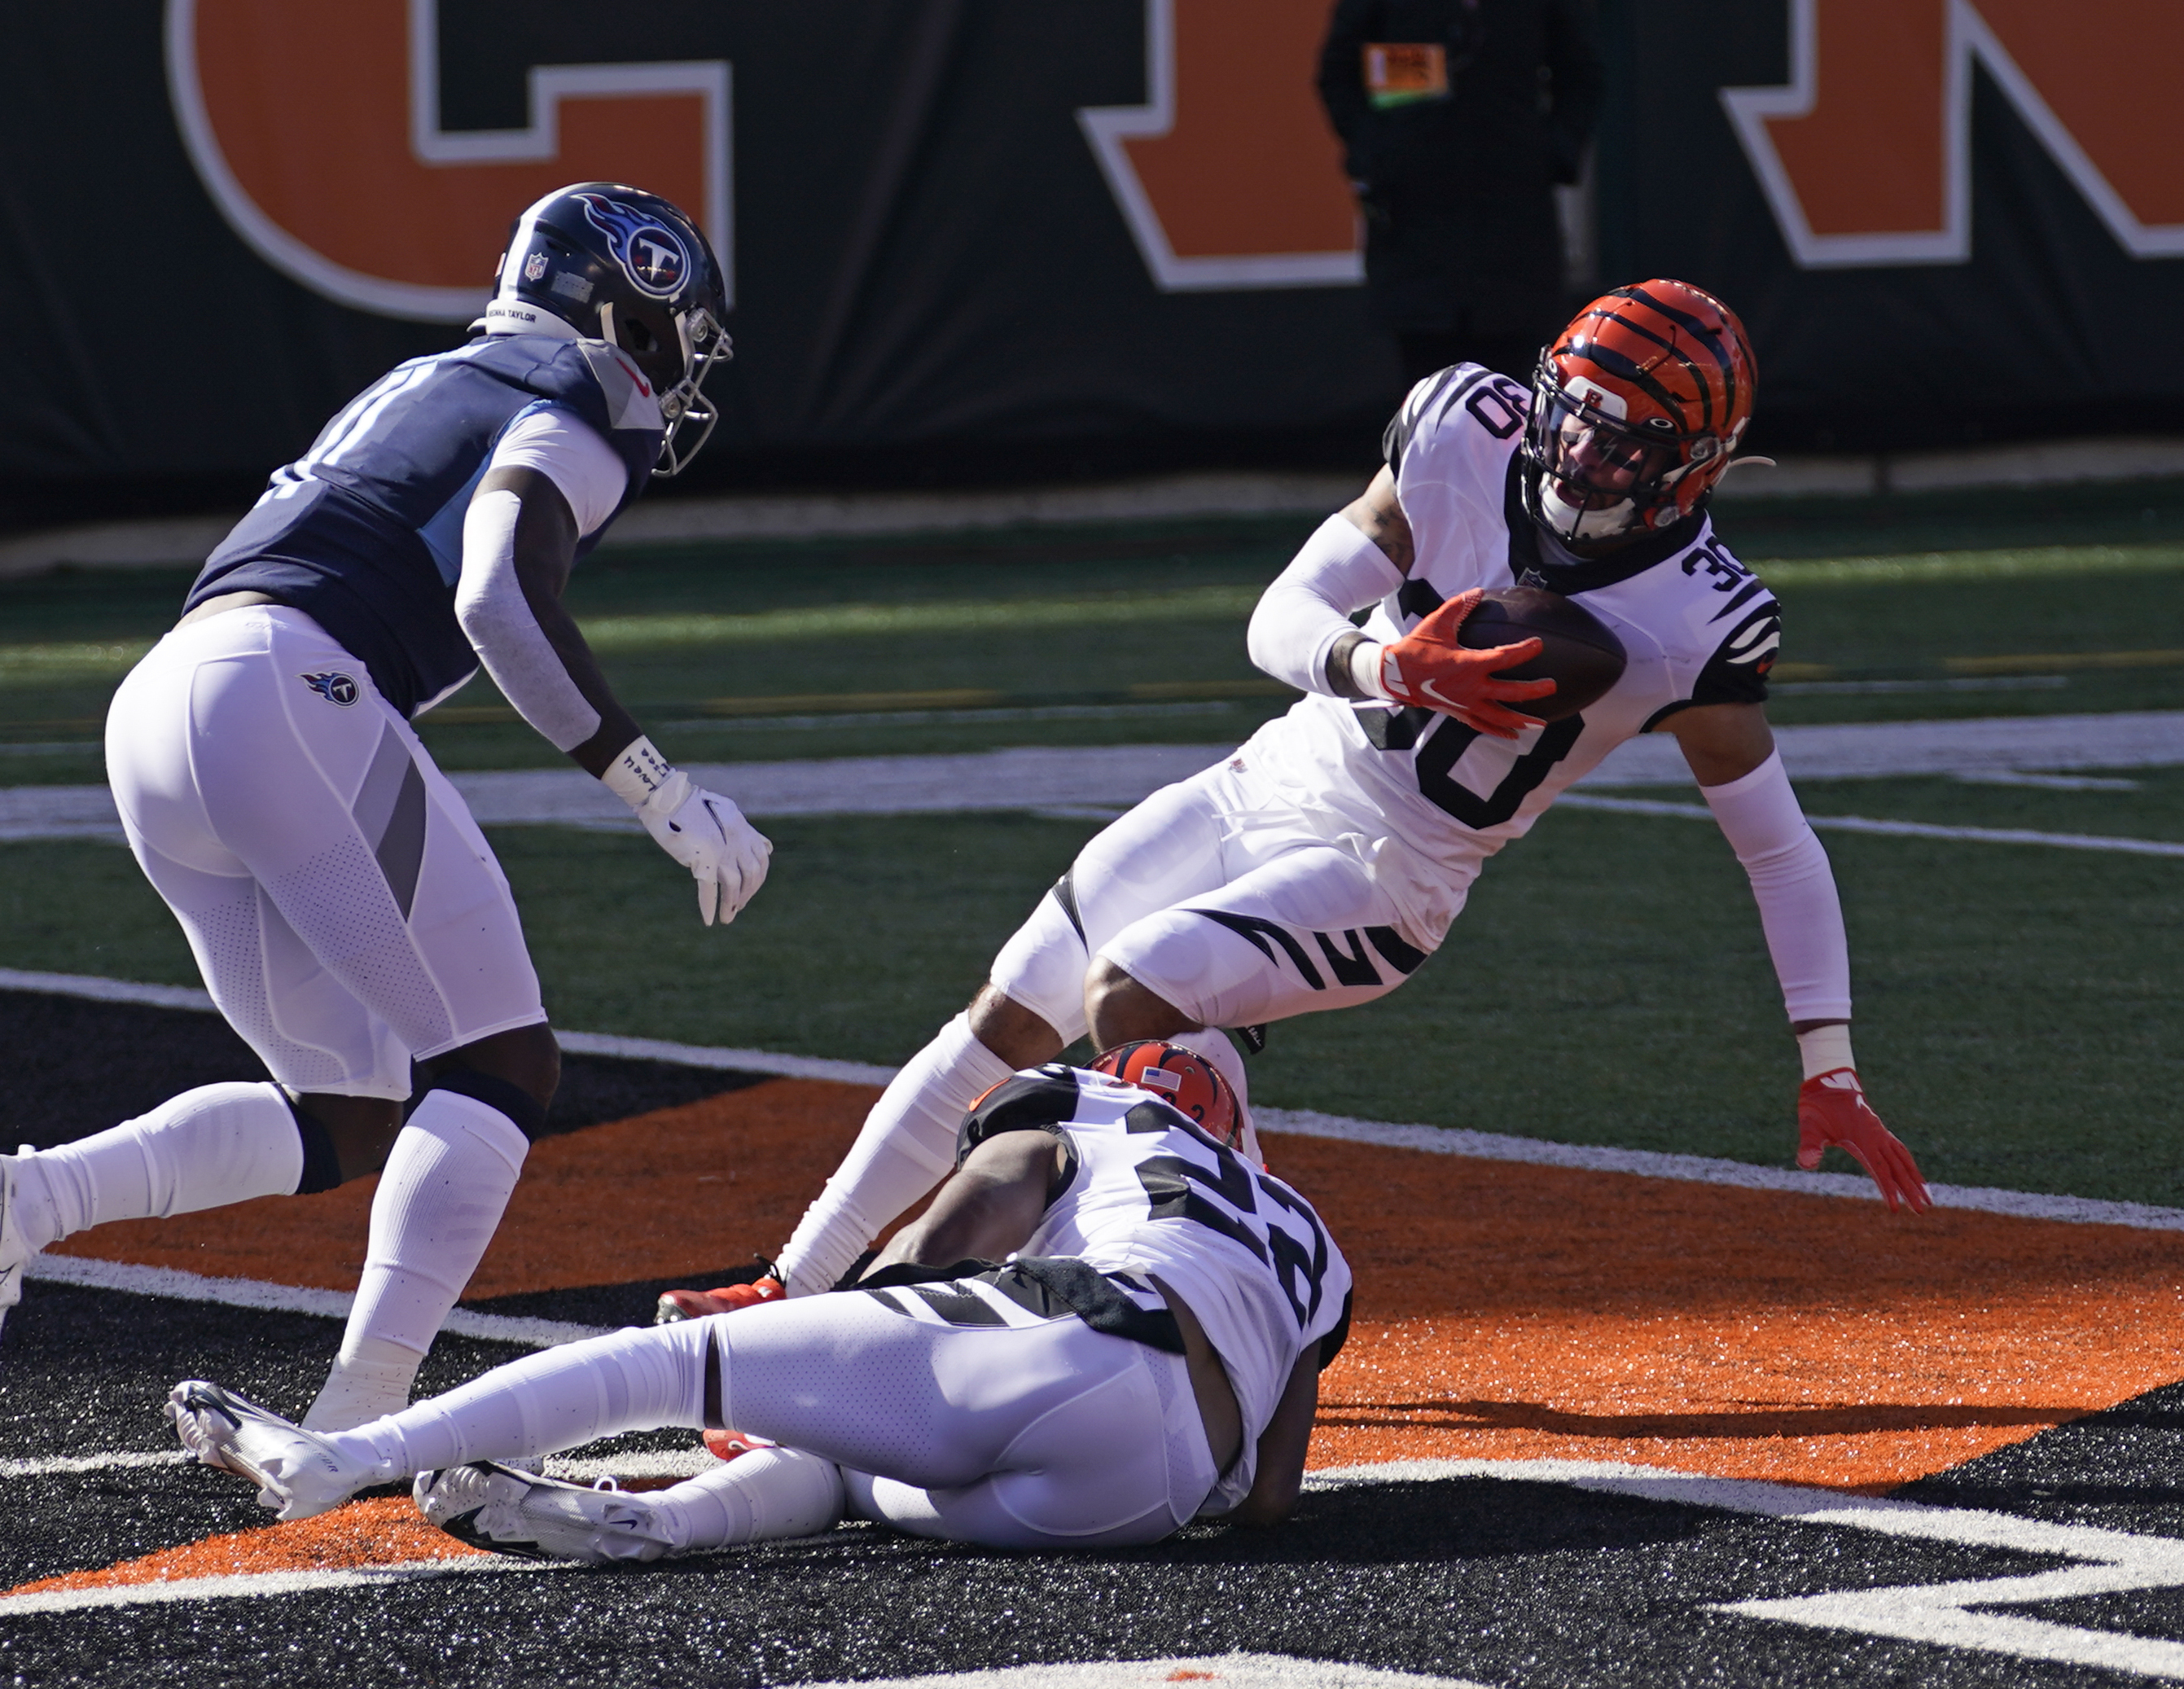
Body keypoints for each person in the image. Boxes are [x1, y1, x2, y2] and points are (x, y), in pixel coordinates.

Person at [659, 278, 1929, 1331]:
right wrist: (1390, 664)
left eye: (1630, 438)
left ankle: (1241, 1283)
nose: (1589, 450)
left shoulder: (1696, 620)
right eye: (1580, 414)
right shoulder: (1461, 428)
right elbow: (1278, 616)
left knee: (1139, 985)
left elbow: (1777, 849)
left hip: (1393, 869)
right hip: (1274, 768)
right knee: (1010, 1005)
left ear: (1697, 466)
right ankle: (791, 1283)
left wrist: (1830, 1062)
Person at [0, 183, 773, 1424]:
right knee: (499, 1062)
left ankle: (26, 1197)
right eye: (683, 325)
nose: (687, 362)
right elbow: (498, 597)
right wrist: (658, 788)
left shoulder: (446, 374)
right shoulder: (574, 397)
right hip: (283, 691)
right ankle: (355, 1422)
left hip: (161, 701)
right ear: (631, 304)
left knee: (350, 1106)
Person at [165, 1043, 1354, 1561]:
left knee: (673, 1364)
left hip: (1089, 1332)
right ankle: (658, 1524)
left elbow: (960, 1224)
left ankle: (344, 1456)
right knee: (840, 1460)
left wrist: (845, 1327)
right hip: (1138, 1495)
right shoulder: (1306, 1230)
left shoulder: (1094, 1113)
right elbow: (1269, 1499)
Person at [1317, 0, 1603, 386]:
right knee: (1427, 380)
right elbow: (1338, 72)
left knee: (1516, 376)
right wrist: (1377, 153)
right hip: (1416, 221)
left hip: (1514, 220)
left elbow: (1582, 73)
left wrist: (1552, 154)